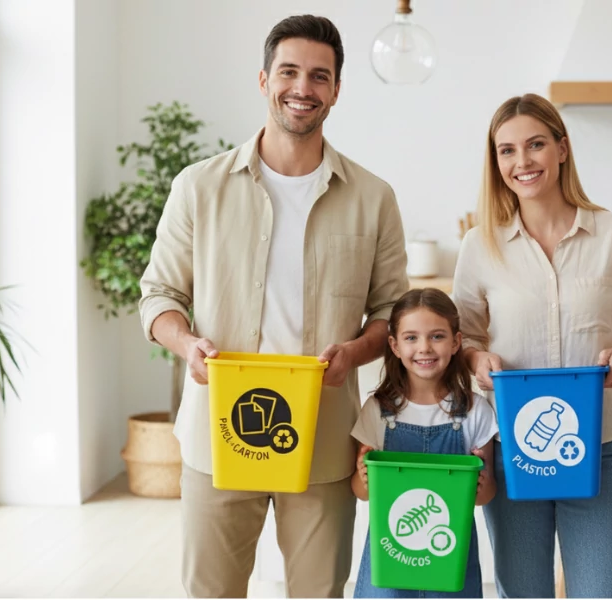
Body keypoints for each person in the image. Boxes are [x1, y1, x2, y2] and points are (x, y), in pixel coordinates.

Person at [138, 14, 410, 599]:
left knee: (318, 592)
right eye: (289, 71)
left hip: (323, 438)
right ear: (263, 80)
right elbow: (159, 295)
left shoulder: (373, 198)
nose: (302, 88)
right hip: (219, 434)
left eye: (319, 76)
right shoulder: (198, 187)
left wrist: (357, 350)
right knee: (211, 592)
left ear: (336, 90)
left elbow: (391, 312)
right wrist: (187, 344)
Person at [451, 93, 612, 598]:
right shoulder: (480, 245)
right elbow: (464, 338)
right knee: (522, 591)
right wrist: (478, 360)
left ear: (562, 149)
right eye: (507, 151)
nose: (522, 162)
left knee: (601, 592)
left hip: (598, 447)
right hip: (511, 450)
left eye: (536, 145)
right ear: (495, 161)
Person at [349, 288, 498, 598]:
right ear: (394, 345)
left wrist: (480, 484)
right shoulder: (378, 410)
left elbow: (485, 496)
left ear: (457, 342)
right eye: (412, 337)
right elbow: (360, 493)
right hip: (391, 553)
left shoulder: (476, 411)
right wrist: (364, 477)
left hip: (450, 553)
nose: (425, 348)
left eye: (437, 336)